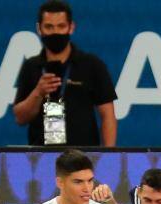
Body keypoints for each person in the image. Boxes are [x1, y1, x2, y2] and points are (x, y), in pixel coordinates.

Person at [12, 1, 116, 147]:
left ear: (71, 27)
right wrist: (38, 92)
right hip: (41, 156)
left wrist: (109, 156)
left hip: (83, 156)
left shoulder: (91, 65)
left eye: (61, 26)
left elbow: (108, 115)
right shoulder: (31, 66)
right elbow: (20, 118)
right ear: (39, 29)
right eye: (49, 27)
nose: (55, 32)